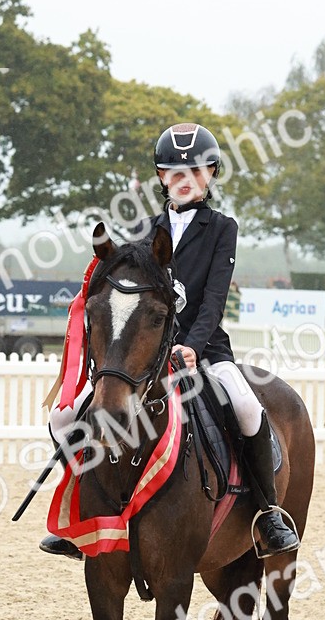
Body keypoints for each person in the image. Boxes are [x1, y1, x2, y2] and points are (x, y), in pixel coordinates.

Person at [39, 121, 299, 560]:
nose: (185, 179)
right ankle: (84, 510)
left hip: (205, 348)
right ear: (161, 176)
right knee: (64, 418)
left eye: (195, 171)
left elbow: (214, 300)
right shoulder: (143, 229)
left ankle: (267, 512)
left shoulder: (222, 229)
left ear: (211, 173)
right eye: (175, 172)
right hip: (146, 354)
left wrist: (192, 345)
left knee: (246, 407)